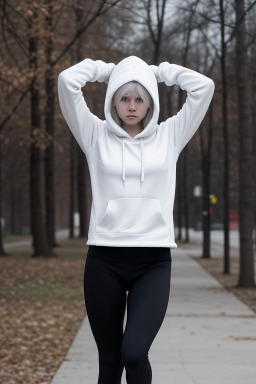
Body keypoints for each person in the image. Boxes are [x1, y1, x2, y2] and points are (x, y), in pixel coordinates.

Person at [58, 55, 214, 384]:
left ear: (151, 102)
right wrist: (108, 71)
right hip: (104, 260)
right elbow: (67, 82)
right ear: (113, 100)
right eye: (124, 97)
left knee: (134, 352)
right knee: (110, 362)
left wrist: (156, 72)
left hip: (152, 262)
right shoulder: (94, 135)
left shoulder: (170, 136)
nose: (132, 106)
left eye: (140, 98)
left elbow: (204, 87)